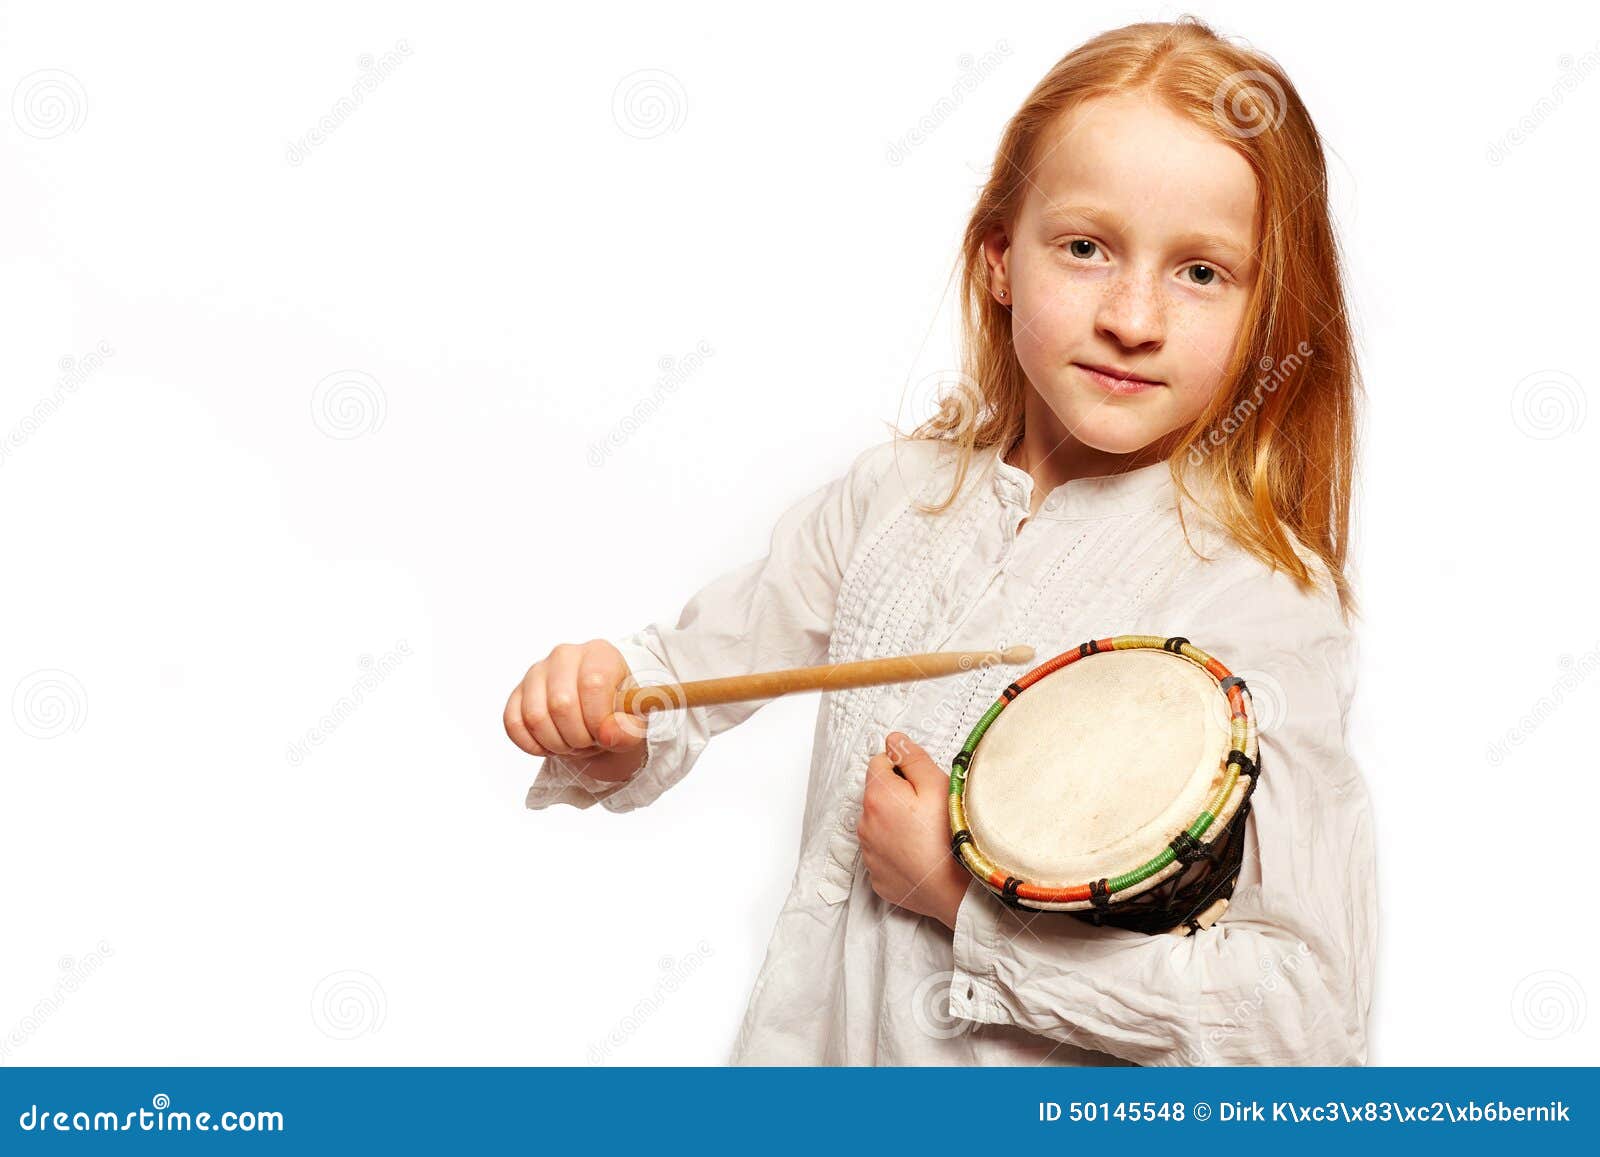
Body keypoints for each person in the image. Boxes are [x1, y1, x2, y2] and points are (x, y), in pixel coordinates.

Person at [507, 16, 1375, 1066]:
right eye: (1086, 247)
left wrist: (963, 905)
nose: (1133, 317)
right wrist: (612, 710)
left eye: (1199, 271)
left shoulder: (1251, 596)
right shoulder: (896, 494)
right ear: (1000, 256)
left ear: (1264, 313)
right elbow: (688, 680)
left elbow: (1301, 1018)